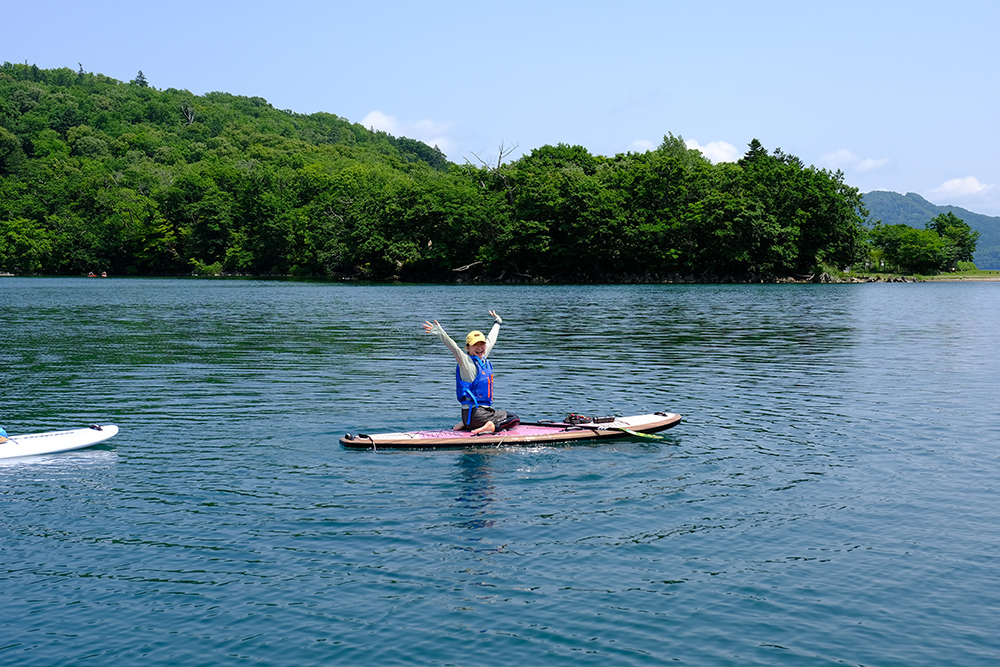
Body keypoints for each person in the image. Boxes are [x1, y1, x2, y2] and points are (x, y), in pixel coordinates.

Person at [423, 310, 518, 434]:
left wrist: (498, 322)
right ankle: (490, 427)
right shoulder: (465, 363)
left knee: (500, 414)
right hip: (479, 416)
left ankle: (466, 424)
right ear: (467, 347)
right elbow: (454, 348)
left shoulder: (481, 359)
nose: (480, 348)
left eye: (482, 344)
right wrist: (439, 332)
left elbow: (492, 339)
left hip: (468, 416)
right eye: (475, 345)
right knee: (514, 418)